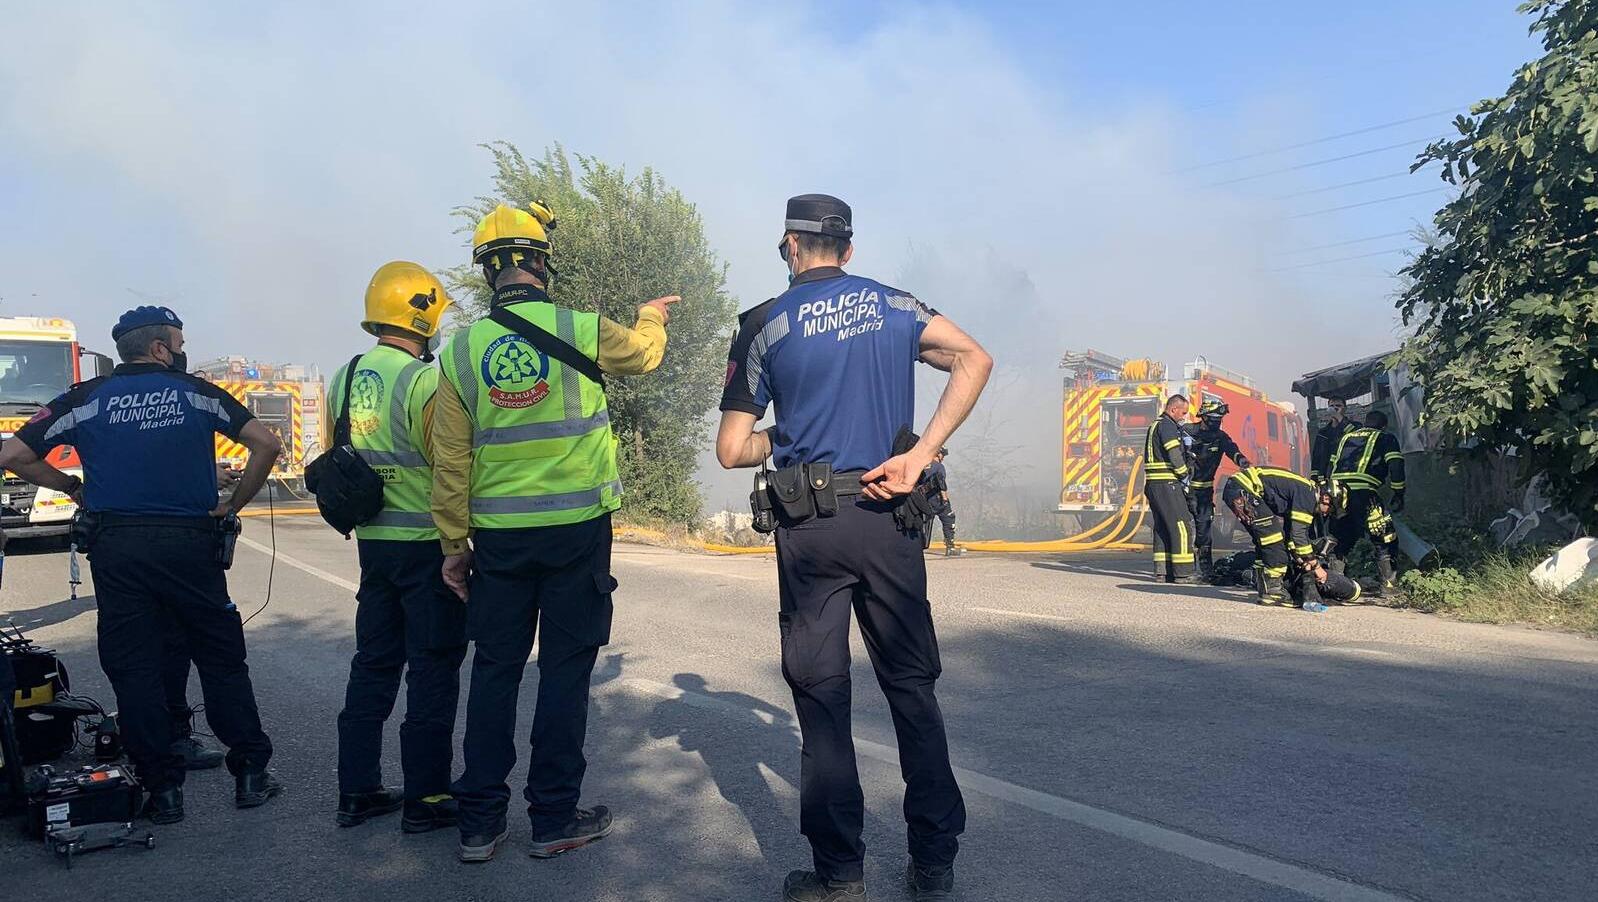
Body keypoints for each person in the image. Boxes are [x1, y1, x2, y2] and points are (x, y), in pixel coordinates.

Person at [716, 194, 992, 902]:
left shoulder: (764, 326)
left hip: (812, 531)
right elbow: (974, 358)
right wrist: (923, 454)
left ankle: (840, 876)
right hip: (890, 514)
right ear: (848, 249)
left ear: (790, 246)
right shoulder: (897, 307)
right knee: (912, 690)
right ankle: (934, 859)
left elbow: (729, 451)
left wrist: (784, 430)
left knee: (823, 700)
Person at [433, 203, 679, 863]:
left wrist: (453, 547)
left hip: (500, 541)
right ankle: (553, 818)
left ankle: (479, 823)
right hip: (576, 534)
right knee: (566, 673)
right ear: (543, 263)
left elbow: (450, 464)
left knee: (493, 671)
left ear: (488, 272)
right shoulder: (583, 328)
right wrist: (652, 315)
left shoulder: (459, 353)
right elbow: (647, 356)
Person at [0, 306, 282, 824]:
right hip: (190, 546)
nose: (180, 348)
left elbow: (12, 454)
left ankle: (162, 790)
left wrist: (72, 489)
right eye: (177, 340)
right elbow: (267, 443)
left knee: (136, 669)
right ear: (159, 348)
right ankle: (250, 775)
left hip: (119, 548)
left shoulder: (84, 399)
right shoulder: (197, 393)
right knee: (220, 660)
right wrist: (232, 504)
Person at [329, 261, 468, 833]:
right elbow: (448, 465)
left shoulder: (345, 374)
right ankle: (427, 798)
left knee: (374, 667)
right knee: (432, 670)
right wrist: (463, 539)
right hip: (425, 546)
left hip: (373, 544)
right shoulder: (424, 381)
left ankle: (356, 791)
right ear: (423, 316)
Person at [1220, 466, 1333, 606]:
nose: (1326, 514)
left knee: (1265, 541)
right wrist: (1316, 566)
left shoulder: (1303, 490)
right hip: (1244, 490)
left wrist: (1297, 556)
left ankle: (1264, 587)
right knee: (1273, 540)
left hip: (1238, 489)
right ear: (1326, 498)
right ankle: (1273, 592)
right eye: (1331, 508)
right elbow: (1299, 535)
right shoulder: (1308, 495)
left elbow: (1291, 534)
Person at [1328, 410, 1406, 592]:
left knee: (1341, 538)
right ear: (1384, 425)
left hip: (1338, 493)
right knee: (1384, 537)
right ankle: (1389, 585)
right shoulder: (1386, 438)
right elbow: (1395, 464)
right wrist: (1399, 492)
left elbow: (1330, 465)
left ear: (1365, 423)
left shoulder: (1346, 438)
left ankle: (1335, 584)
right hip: (1364, 493)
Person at [1183, 400, 1250, 579]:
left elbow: (1232, 449)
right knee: (1182, 528)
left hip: (1204, 492)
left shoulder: (1220, 437)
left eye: (1219, 420)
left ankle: (1205, 569)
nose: (1216, 423)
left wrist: (1241, 460)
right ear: (1203, 417)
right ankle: (1181, 569)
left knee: (1204, 529)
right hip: (1183, 490)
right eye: (1213, 419)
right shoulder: (1187, 431)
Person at [1144, 394, 1199, 584]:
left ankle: (1162, 572)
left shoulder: (1154, 425)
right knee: (1181, 526)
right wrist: (1185, 476)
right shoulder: (1167, 425)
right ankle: (1184, 573)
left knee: (1162, 527)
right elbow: (1174, 453)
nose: (1184, 417)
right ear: (1173, 409)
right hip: (1168, 483)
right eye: (1182, 412)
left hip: (1153, 485)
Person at [919, 447, 960, 556]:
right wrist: (945, 500)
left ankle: (919, 546)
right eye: (943, 455)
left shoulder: (922, 465)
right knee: (949, 519)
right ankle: (950, 547)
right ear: (938, 454)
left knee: (923, 523)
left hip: (923, 500)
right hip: (937, 499)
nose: (943, 458)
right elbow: (941, 483)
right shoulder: (939, 466)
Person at [1310, 397, 1357, 481]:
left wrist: (1338, 417)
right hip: (1325, 477)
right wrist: (1314, 478)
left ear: (1345, 409)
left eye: (1338, 406)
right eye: (1331, 406)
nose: (1335, 408)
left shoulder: (1354, 426)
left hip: (1345, 475)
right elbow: (1316, 457)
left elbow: (1354, 435)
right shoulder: (1322, 433)